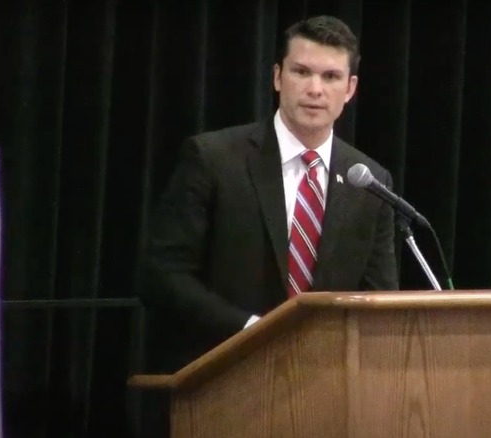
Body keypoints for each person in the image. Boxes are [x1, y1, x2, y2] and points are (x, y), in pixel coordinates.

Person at [135, 14, 399, 436]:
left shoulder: (368, 180)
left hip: (328, 398)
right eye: (302, 72)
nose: (315, 89)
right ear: (278, 77)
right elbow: (161, 278)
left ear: (350, 89)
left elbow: (378, 299)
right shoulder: (213, 158)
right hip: (221, 388)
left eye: (331, 76)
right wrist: (252, 333)